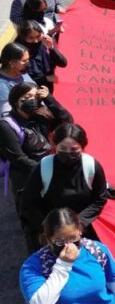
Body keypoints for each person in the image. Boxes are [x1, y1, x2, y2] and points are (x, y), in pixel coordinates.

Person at [21, 123, 111, 249]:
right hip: (50, 231)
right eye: (62, 149)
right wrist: (49, 228)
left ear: (82, 147)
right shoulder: (43, 167)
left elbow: (99, 199)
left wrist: (79, 224)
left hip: (82, 230)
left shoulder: (91, 166)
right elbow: (28, 204)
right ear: (55, 146)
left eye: (74, 150)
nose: (68, 153)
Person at [0, 83, 62, 211]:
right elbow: (18, 159)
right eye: (28, 96)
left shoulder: (39, 116)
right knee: (34, 216)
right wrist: (49, 170)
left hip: (47, 173)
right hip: (27, 179)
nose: (32, 100)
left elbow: (66, 120)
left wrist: (49, 99)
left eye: (35, 96)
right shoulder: (6, 126)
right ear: (16, 101)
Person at [15, 20, 67, 91]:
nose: (36, 41)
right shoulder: (20, 52)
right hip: (33, 90)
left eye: (38, 36)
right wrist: (46, 78)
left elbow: (63, 63)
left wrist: (51, 48)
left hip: (48, 85)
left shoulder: (44, 43)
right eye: (31, 38)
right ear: (23, 37)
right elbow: (23, 77)